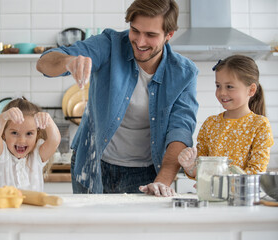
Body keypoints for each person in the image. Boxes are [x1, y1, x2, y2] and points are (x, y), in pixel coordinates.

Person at [36, 0, 199, 196]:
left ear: (168, 35)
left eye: (151, 35)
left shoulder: (184, 74)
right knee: (89, 226)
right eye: (135, 30)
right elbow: (44, 63)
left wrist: (162, 182)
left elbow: (179, 132)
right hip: (92, 162)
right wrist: (69, 61)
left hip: (145, 173)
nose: (140, 42)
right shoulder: (109, 44)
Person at [178, 55, 274, 178]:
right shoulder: (211, 123)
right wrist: (190, 165)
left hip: (242, 195)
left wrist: (219, 184)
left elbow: (256, 171)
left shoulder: (259, 125)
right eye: (218, 86)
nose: (222, 92)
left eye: (229, 87)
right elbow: (201, 170)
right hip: (211, 195)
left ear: (251, 90)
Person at [0, 97, 61, 191]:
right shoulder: (1, 154)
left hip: (32, 206)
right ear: (3, 134)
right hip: (3, 206)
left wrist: (49, 121)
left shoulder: (37, 155)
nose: (22, 140)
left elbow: (54, 140)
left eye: (29, 133)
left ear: (37, 134)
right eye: (14, 133)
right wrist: (3, 117)